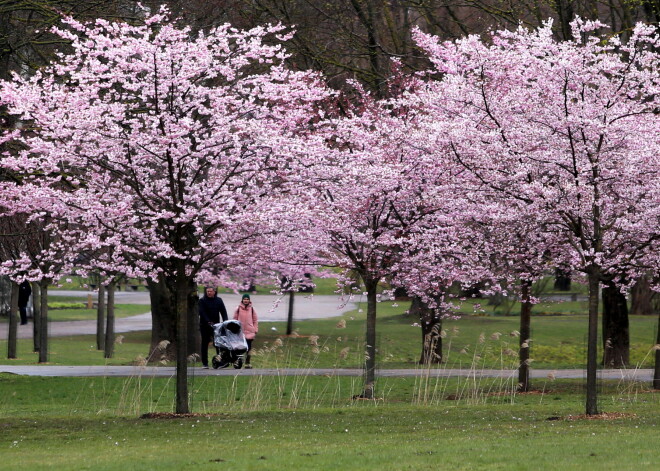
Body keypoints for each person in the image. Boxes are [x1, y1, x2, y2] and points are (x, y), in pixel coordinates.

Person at [198, 286, 228, 368]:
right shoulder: (202, 301)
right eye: (207, 291)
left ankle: (220, 361)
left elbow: (223, 312)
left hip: (216, 326)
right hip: (204, 325)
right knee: (205, 343)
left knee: (218, 343)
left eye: (210, 291)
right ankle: (205, 363)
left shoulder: (219, 300)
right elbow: (202, 312)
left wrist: (225, 321)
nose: (209, 293)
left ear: (214, 292)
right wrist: (208, 321)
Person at [233, 293, 258, 369]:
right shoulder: (238, 309)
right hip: (240, 332)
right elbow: (235, 319)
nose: (246, 300)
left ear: (249, 300)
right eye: (244, 299)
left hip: (250, 332)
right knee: (239, 348)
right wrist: (234, 329)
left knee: (248, 348)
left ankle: (247, 362)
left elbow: (255, 320)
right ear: (242, 300)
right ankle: (237, 361)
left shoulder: (252, 309)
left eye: (247, 299)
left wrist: (255, 329)